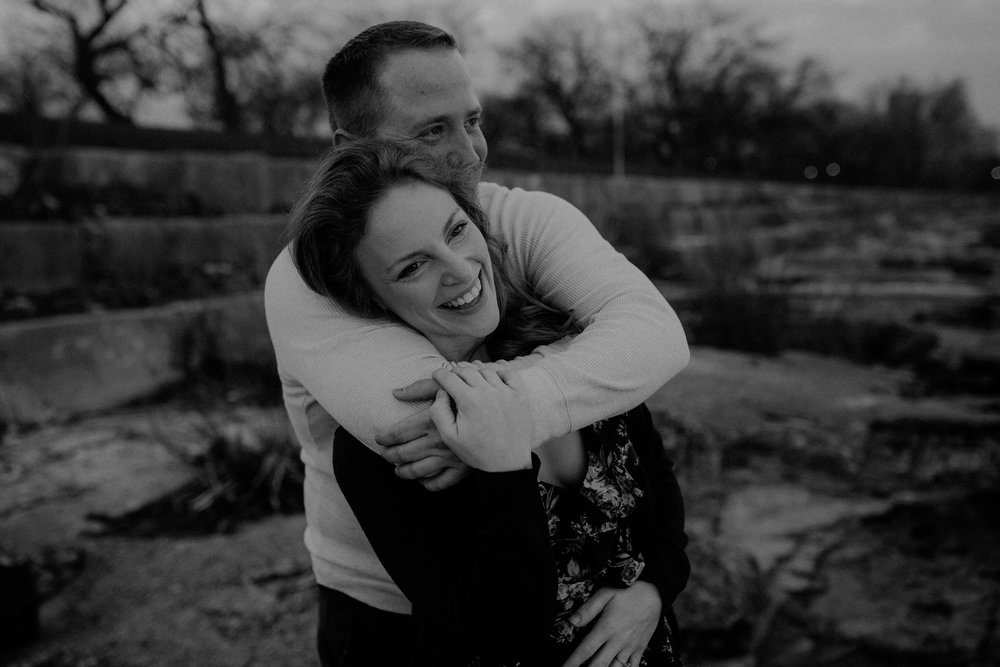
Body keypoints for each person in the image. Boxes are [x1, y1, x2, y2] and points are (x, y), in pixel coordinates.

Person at [263, 19, 690, 666]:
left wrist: (654, 580)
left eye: (472, 119)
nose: (471, 152)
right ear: (351, 147)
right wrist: (583, 371)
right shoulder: (309, 277)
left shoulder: (523, 219)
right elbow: (420, 424)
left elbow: (652, 336)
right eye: (432, 130)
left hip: (599, 600)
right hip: (389, 613)